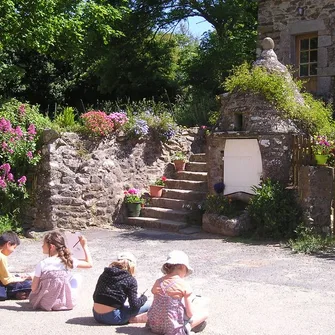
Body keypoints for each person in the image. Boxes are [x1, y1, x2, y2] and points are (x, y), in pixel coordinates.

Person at [147, 250, 208, 335]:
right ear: (183, 267)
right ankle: (186, 329)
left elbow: (157, 302)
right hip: (173, 329)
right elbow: (190, 314)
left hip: (155, 327)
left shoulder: (158, 282)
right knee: (204, 314)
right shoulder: (183, 284)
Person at [29, 230, 92, 311]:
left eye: (43, 244)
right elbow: (89, 264)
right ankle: (66, 296)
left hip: (44, 303)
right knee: (77, 277)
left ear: (51, 247)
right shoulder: (68, 261)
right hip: (64, 303)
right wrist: (84, 246)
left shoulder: (42, 264)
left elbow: (34, 289)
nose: (42, 246)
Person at [92, 251, 150, 325]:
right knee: (150, 304)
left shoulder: (104, 274)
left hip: (96, 314)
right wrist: (144, 297)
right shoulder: (130, 279)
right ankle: (134, 319)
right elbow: (135, 305)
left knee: (123, 306)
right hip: (113, 317)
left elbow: (96, 295)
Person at [0, 231, 32, 300]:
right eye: (14, 247)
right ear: (8, 244)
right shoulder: (2, 257)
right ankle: (14, 294)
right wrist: (21, 279)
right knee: (28, 284)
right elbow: (6, 280)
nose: (13, 251)